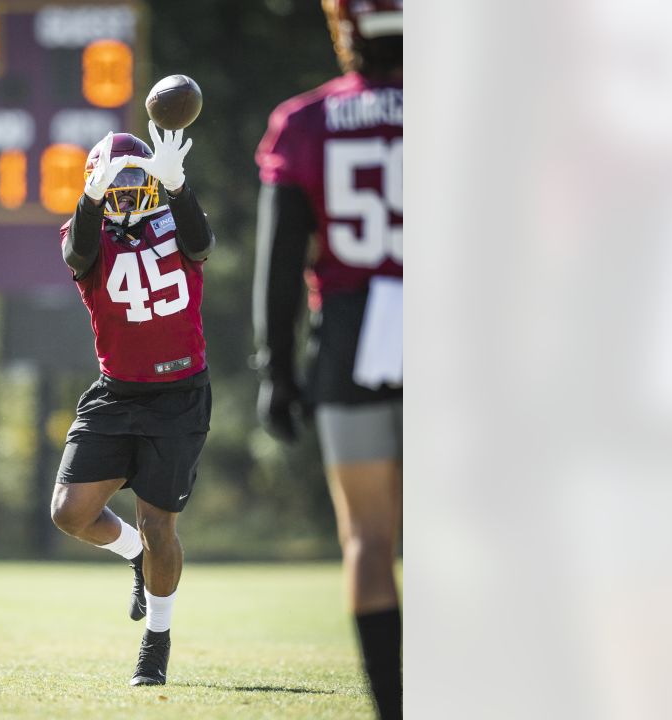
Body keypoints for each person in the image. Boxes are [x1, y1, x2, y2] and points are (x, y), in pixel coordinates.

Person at [252, 1, 403, 717]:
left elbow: (281, 266)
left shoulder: (307, 121)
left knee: (369, 538)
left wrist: (277, 371)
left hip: (350, 330)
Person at [50, 123, 214, 687]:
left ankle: (157, 642)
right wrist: (91, 197)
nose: (124, 193)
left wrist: (177, 187)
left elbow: (201, 244)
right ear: (95, 186)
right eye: (111, 185)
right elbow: (78, 251)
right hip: (116, 390)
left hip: (178, 395)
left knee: (157, 527)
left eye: (132, 183)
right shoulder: (85, 232)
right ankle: (130, 558)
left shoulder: (174, 219)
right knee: (69, 513)